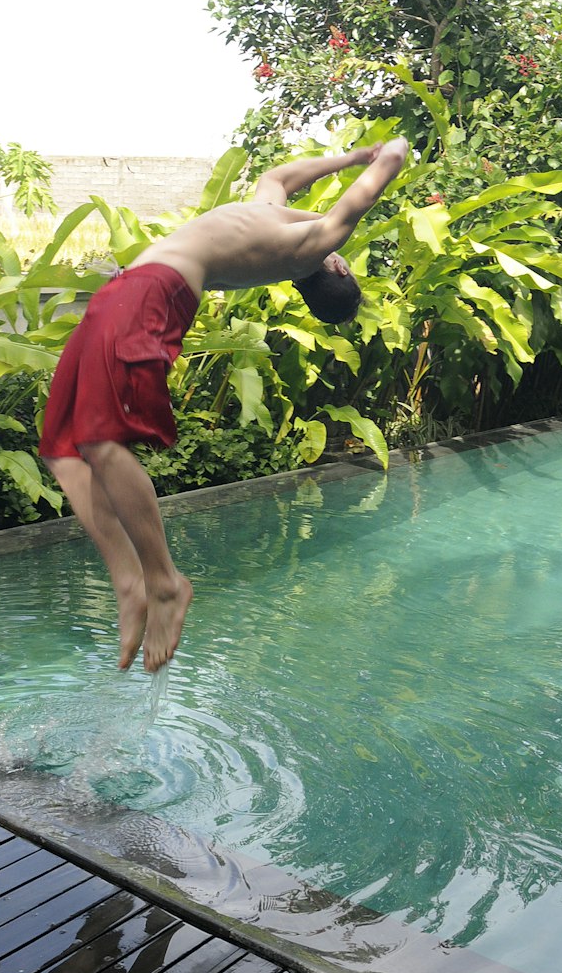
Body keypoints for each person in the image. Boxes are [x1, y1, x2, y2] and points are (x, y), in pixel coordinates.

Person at [39, 137, 409, 674]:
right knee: (61, 447)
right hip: (123, 294)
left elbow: (367, 190)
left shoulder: (309, 244)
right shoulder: (274, 214)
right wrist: (350, 158)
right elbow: (282, 174)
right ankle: (128, 581)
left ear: (338, 271)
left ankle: (165, 583)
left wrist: (387, 153)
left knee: (99, 440)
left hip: (149, 294)